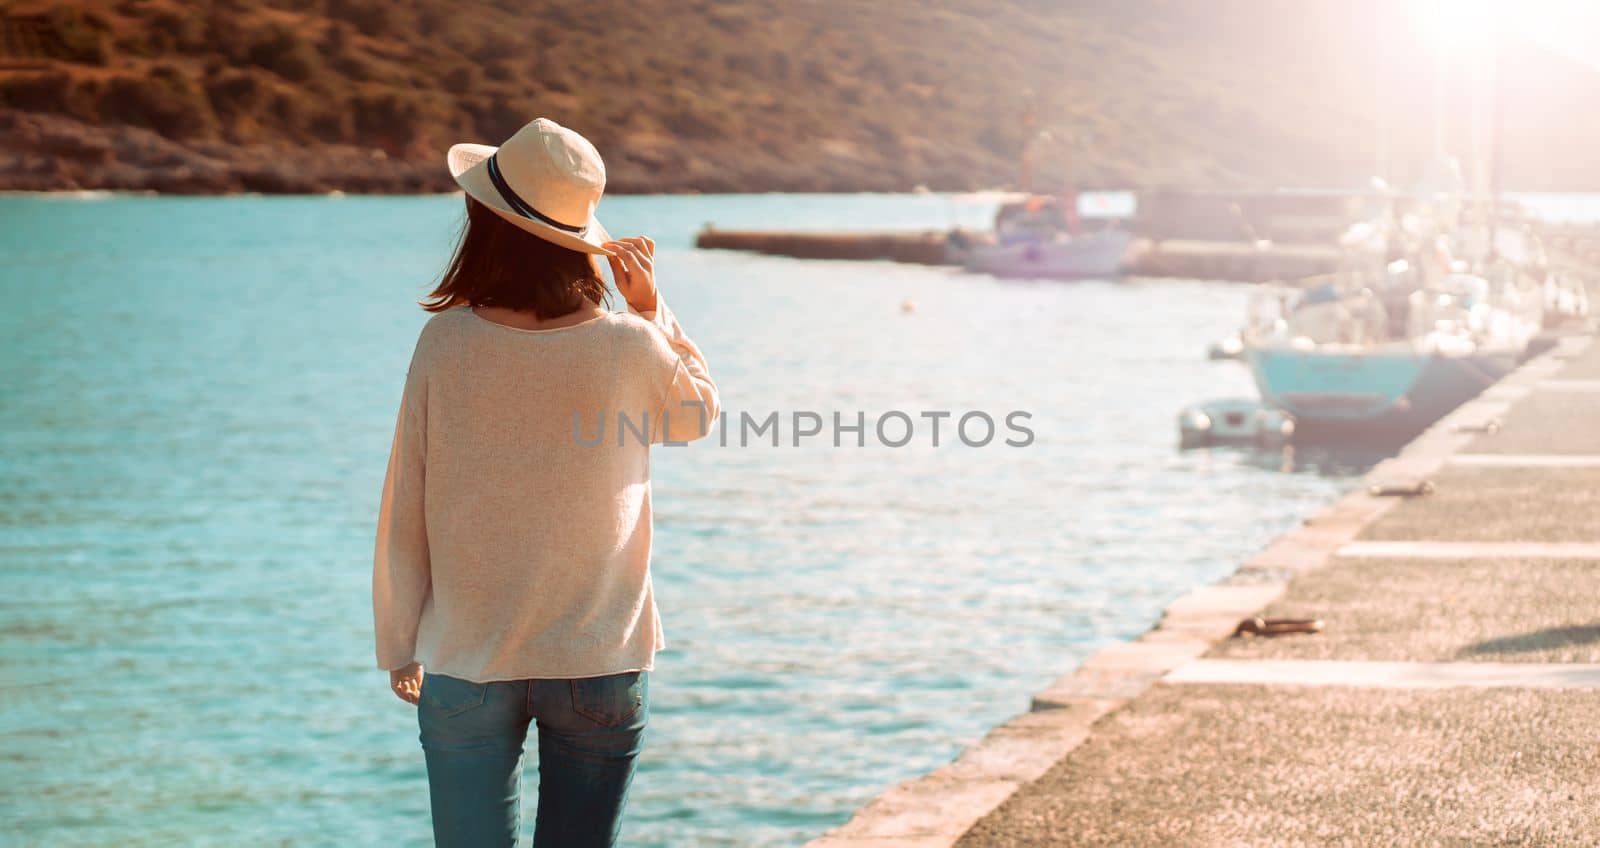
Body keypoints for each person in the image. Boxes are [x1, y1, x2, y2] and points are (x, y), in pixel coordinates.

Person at [371, 117, 719, 847]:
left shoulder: (447, 342)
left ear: (486, 225)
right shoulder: (631, 344)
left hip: (468, 658)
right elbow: (697, 416)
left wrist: (399, 639)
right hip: (600, 659)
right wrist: (652, 307)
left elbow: (408, 493)